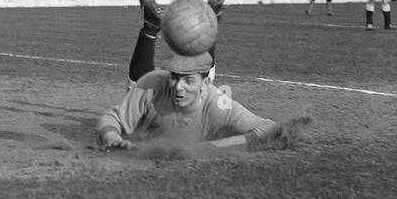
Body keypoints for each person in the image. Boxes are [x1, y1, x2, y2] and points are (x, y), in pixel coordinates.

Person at [96, 44, 295, 153]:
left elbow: (269, 129)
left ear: (205, 83)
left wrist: (203, 149)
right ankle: (150, 28)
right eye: (174, 77)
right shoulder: (153, 84)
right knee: (133, 88)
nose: (178, 87)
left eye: (188, 81)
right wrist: (113, 138)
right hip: (138, 141)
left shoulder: (217, 105)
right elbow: (111, 118)